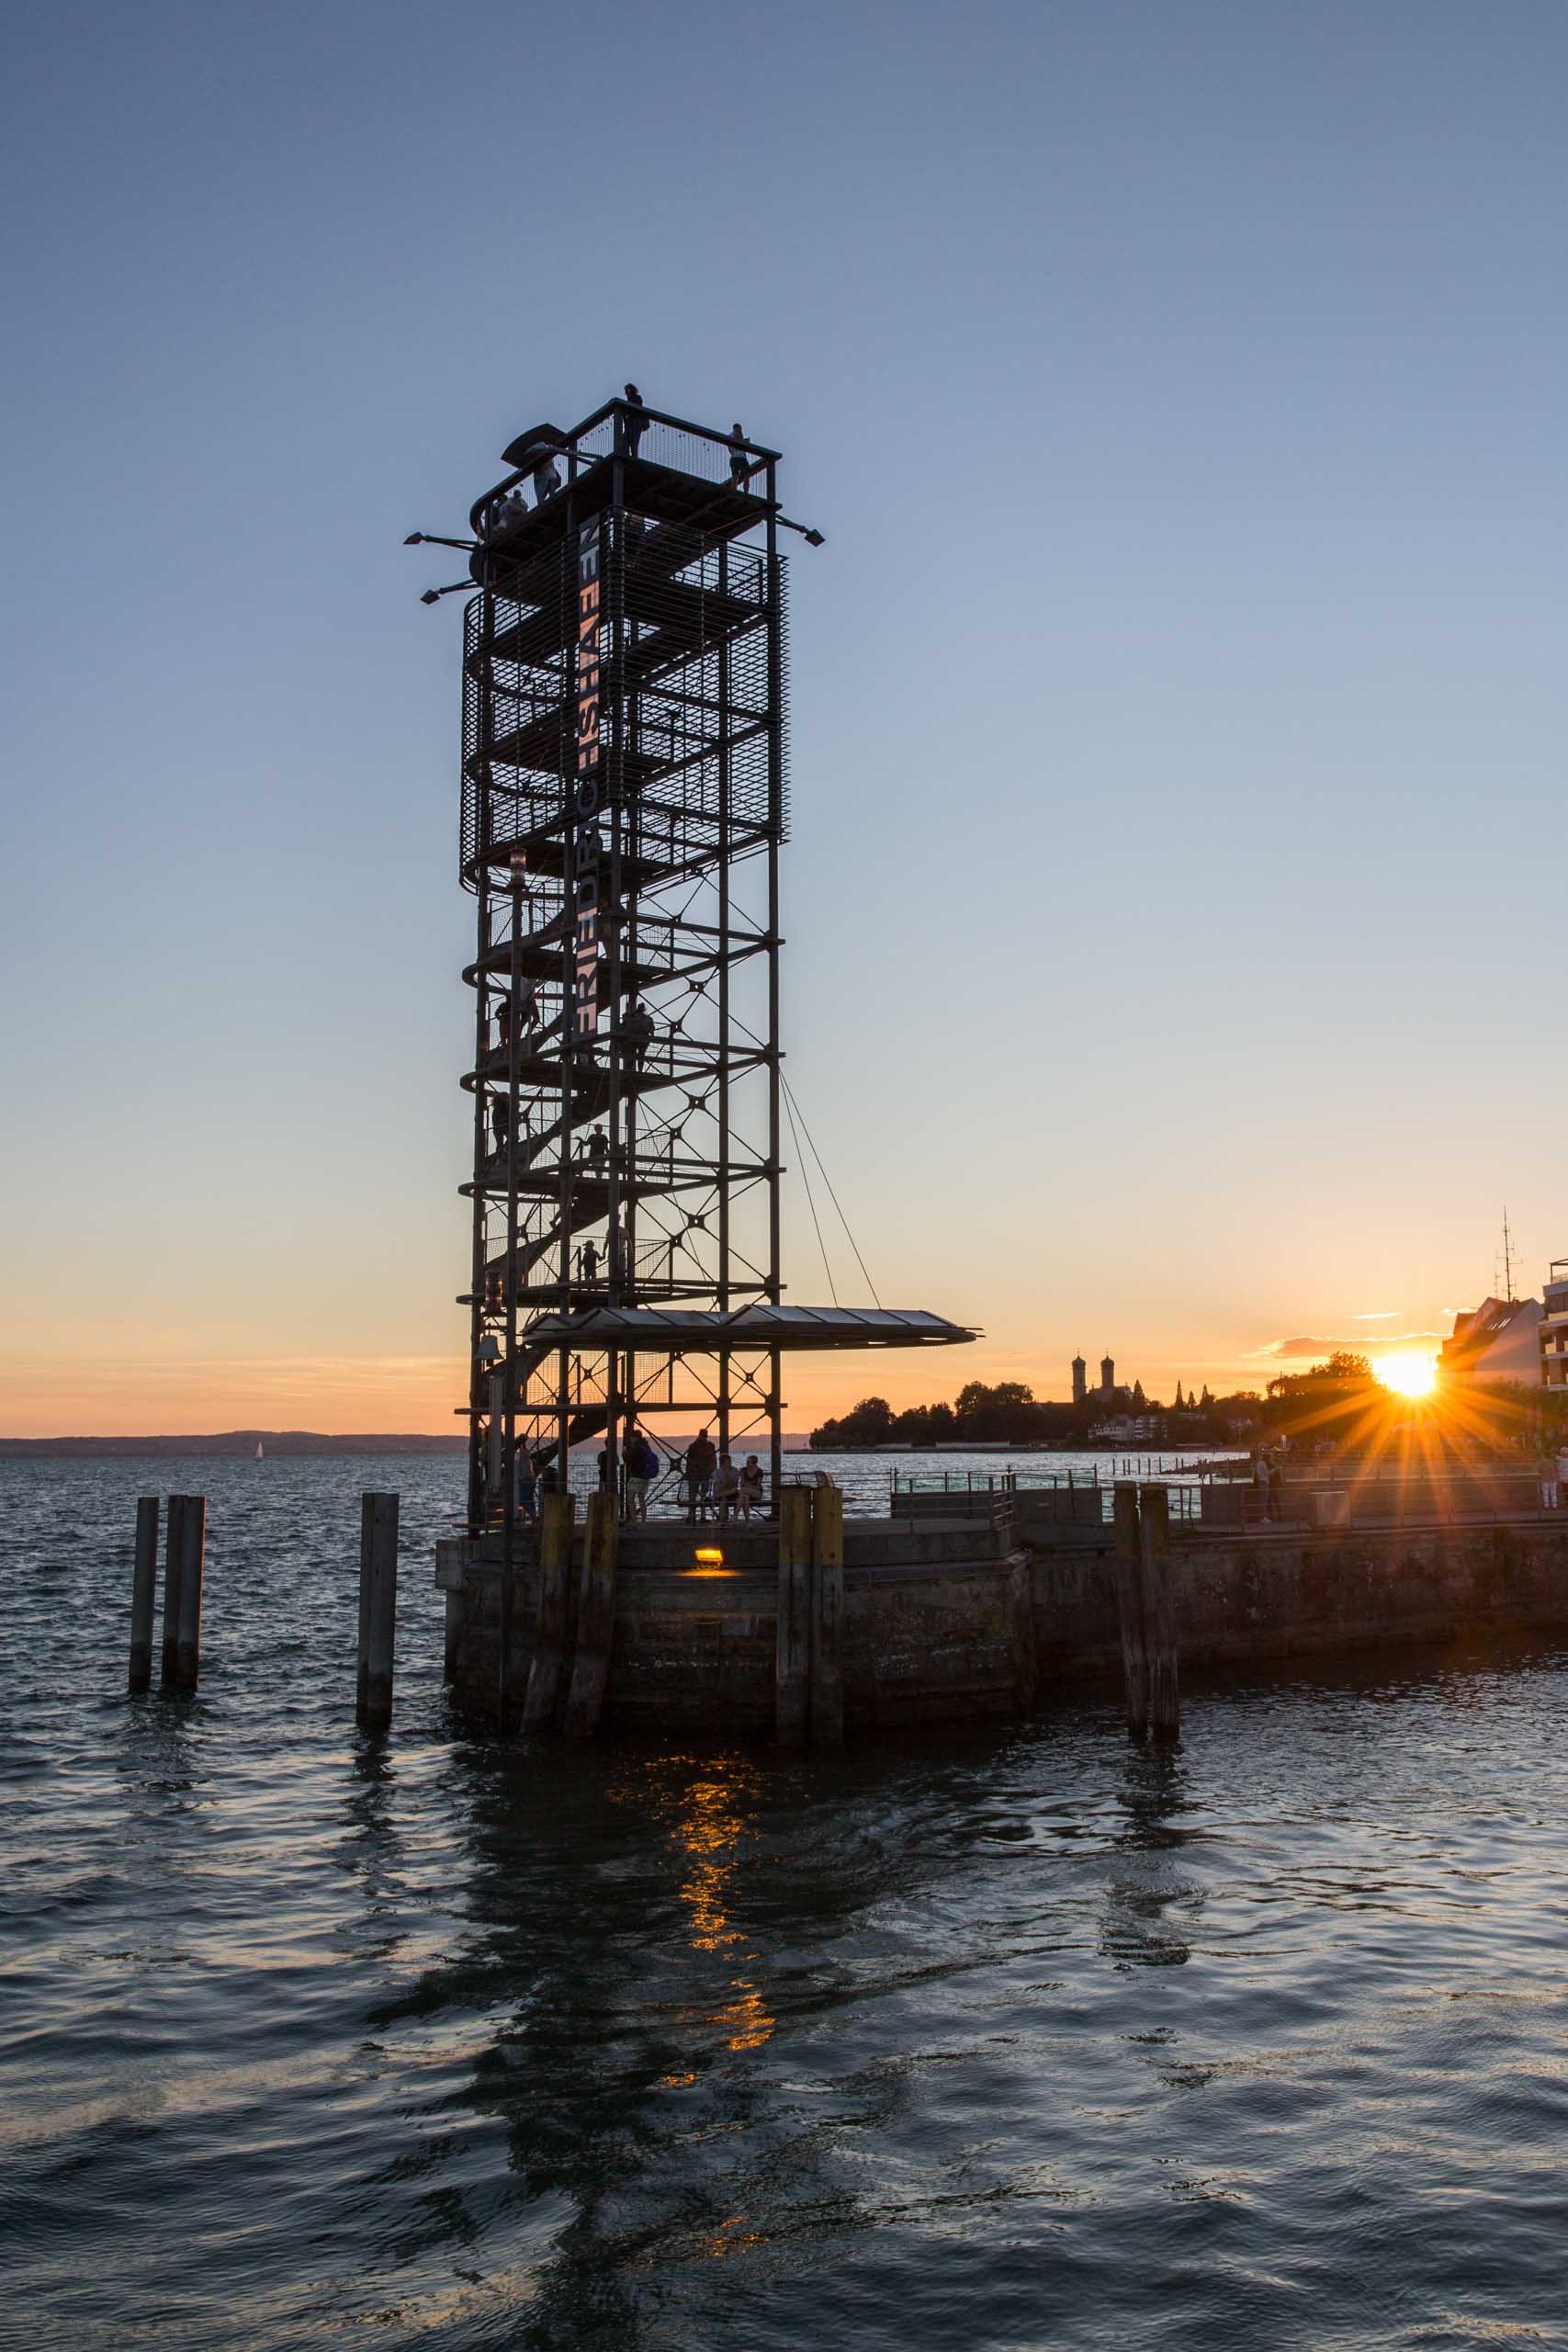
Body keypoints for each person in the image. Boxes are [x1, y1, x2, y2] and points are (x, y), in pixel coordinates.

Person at [681, 1427, 717, 1523]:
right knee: (703, 1496)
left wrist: (688, 1472)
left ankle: (691, 1516)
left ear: (699, 1435)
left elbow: (689, 1461)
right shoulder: (710, 1446)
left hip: (694, 1474)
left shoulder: (693, 1446)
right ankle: (702, 1516)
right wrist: (712, 1471)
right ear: (706, 1436)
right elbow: (713, 1460)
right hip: (705, 1474)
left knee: (692, 1496)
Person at [625, 1428, 658, 1521]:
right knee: (641, 1500)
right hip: (646, 1476)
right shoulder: (646, 1446)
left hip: (636, 1476)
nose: (630, 1439)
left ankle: (634, 1521)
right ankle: (643, 1522)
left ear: (635, 1438)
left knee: (630, 1499)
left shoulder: (636, 1448)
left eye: (631, 1438)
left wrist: (625, 1452)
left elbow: (628, 1459)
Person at [623, 999, 655, 1073]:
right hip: (641, 1038)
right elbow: (652, 1030)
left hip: (636, 1038)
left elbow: (627, 1026)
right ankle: (638, 1070)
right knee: (640, 1055)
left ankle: (631, 1069)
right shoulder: (648, 1019)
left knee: (634, 1054)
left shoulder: (633, 1017)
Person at [713, 1453, 740, 1526]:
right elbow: (719, 1486)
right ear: (722, 1463)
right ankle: (722, 1521)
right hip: (723, 1492)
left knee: (736, 1494)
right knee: (723, 1499)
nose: (730, 1463)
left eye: (730, 1461)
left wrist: (726, 1483)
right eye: (728, 1462)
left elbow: (735, 1485)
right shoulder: (716, 1472)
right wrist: (726, 1479)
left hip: (731, 1492)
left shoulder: (735, 1470)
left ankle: (734, 1519)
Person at [624, 382, 648, 457]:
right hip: (629, 425)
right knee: (625, 441)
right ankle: (627, 456)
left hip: (636, 424)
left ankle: (634, 458)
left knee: (634, 443)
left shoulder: (637, 398)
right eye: (626, 391)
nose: (627, 392)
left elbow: (634, 409)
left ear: (632, 390)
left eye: (628, 390)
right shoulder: (629, 401)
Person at [738, 1455, 764, 1520]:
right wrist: (741, 1475)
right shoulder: (744, 1470)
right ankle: (748, 1522)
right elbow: (742, 1484)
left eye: (748, 1462)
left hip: (757, 1493)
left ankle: (735, 1514)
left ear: (754, 1463)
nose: (746, 1463)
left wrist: (747, 1485)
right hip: (745, 1493)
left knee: (743, 1491)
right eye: (746, 1462)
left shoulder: (760, 1471)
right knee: (745, 1497)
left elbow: (758, 1487)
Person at [514, 1451, 538, 1524]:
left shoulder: (521, 1461)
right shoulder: (529, 1461)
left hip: (525, 1480)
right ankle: (534, 1516)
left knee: (522, 1499)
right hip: (532, 1479)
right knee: (530, 1499)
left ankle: (532, 1515)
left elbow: (518, 1470)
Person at [728, 422, 749, 488]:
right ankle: (745, 490)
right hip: (740, 458)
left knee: (735, 475)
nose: (740, 431)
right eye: (739, 429)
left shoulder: (730, 436)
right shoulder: (734, 434)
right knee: (746, 474)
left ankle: (733, 489)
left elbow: (730, 449)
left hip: (734, 458)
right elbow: (738, 438)